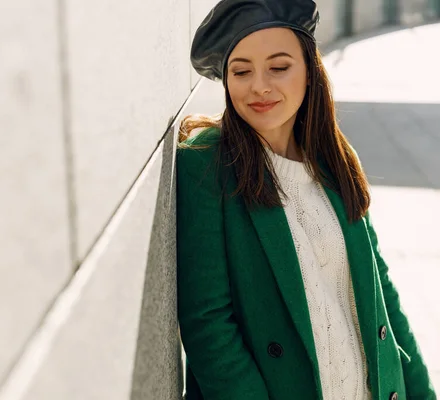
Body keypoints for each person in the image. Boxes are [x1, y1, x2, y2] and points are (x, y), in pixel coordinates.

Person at [175, 1, 437, 399]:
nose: (259, 85)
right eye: (241, 71)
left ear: (310, 70)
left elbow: (381, 292)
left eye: (278, 67)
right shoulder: (208, 162)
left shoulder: (333, 158)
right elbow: (208, 324)